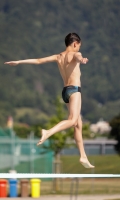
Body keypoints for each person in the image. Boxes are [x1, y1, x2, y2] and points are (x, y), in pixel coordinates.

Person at [5, 33, 94, 168]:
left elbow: (38, 61)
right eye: (78, 46)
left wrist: (19, 62)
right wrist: (82, 59)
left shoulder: (58, 57)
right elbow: (77, 56)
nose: (78, 49)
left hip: (65, 92)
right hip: (75, 90)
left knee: (78, 124)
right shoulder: (75, 54)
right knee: (72, 121)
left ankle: (83, 156)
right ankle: (48, 132)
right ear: (75, 43)